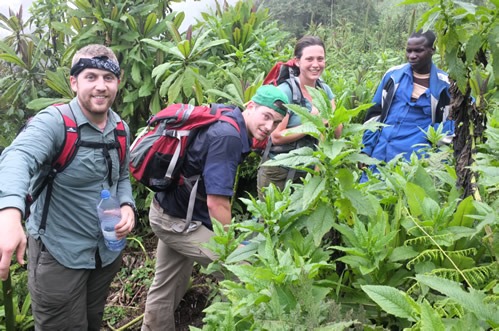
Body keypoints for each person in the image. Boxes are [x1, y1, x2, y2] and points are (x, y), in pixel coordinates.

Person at [0, 44, 136, 330]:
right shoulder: (55, 123)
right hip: (60, 256)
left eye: (108, 78)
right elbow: (17, 156)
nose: (101, 86)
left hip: (105, 254)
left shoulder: (120, 128)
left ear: (117, 82)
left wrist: (127, 205)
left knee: (91, 322)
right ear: (74, 82)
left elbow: (121, 176)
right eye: (91, 77)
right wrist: (10, 213)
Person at [141, 84, 289, 331]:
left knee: (168, 283)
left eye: (276, 123)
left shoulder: (227, 116)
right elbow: (217, 202)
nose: (268, 127)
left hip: (168, 210)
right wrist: (232, 246)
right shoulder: (228, 137)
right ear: (250, 106)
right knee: (245, 274)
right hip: (179, 223)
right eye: (266, 117)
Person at [360, 30, 453, 181]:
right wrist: (366, 150)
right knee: (367, 197)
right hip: (380, 154)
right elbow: (375, 113)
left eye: (418, 50)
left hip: (416, 161)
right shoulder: (393, 75)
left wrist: (437, 159)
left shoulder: (446, 85)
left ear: (432, 50)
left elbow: (458, 123)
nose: (412, 56)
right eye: (409, 51)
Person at [257, 36, 342, 199]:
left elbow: (337, 133)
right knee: (273, 222)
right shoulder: (285, 92)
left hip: (310, 171)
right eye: (309, 59)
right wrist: (312, 121)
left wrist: (333, 119)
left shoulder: (325, 90)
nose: (316, 64)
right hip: (278, 172)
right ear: (297, 62)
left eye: (320, 59)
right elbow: (276, 136)